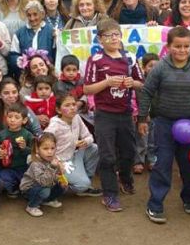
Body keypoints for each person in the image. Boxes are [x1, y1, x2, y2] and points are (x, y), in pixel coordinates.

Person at [137, 26, 190, 223]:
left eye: (186, 46)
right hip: (164, 123)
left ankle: (189, 198)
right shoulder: (160, 67)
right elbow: (147, 92)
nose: (182, 50)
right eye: (177, 46)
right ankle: (155, 204)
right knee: (163, 163)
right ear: (168, 46)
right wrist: (142, 118)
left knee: (188, 164)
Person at [84, 18, 144, 212]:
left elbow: (141, 83)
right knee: (107, 156)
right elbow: (87, 89)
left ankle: (125, 179)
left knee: (128, 152)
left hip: (126, 113)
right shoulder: (95, 60)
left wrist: (130, 83)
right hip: (104, 115)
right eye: (108, 36)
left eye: (116, 34)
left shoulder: (130, 58)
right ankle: (109, 194)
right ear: (100, 40)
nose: (113, 39)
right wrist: (107, 83)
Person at [48, 93, 100, 195]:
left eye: (73, 104)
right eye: (67, 105)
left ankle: (84, 180)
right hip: (62, 162)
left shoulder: (77, 118)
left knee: (94, 147)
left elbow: (89, 137)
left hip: (74, 155)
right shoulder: (54, 125)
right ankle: (60, 186)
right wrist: (56, 162)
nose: (72, 108)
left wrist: (85, 141)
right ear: (58, 110)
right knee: (82, 185)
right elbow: (43, 145)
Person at [0, 102, 35, 197]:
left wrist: (25, 148)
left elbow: (35, 153)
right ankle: (12, 189)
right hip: (7, 169)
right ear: (6, 118)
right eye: (10, 117)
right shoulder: (1, 135)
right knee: (3, 182)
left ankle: (21, 188)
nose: (12, 120)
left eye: (17, 117)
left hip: (23, 168)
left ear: (24, 120)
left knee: (29, 185)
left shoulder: (27, 135)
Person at [134, 53, 160, 173]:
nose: (153, 69)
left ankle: (152, 160)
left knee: (154, 140)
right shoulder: (139, 83)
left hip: (157, 116)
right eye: (150, 66)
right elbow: (139, 100)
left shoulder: (161, 81)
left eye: (156, 66)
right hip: (142, 118)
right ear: (143, 68)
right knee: (141, 140)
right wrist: (144, 115)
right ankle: (138, 161)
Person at [10, 0, 55, 65]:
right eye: (29, 15)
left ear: (42, 14)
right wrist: (23, 62)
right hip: (26, 72)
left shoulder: (51, 31)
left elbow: (56, 54)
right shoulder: (19, 34)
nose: (32, 18)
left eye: (35, 14)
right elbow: (13, 55)